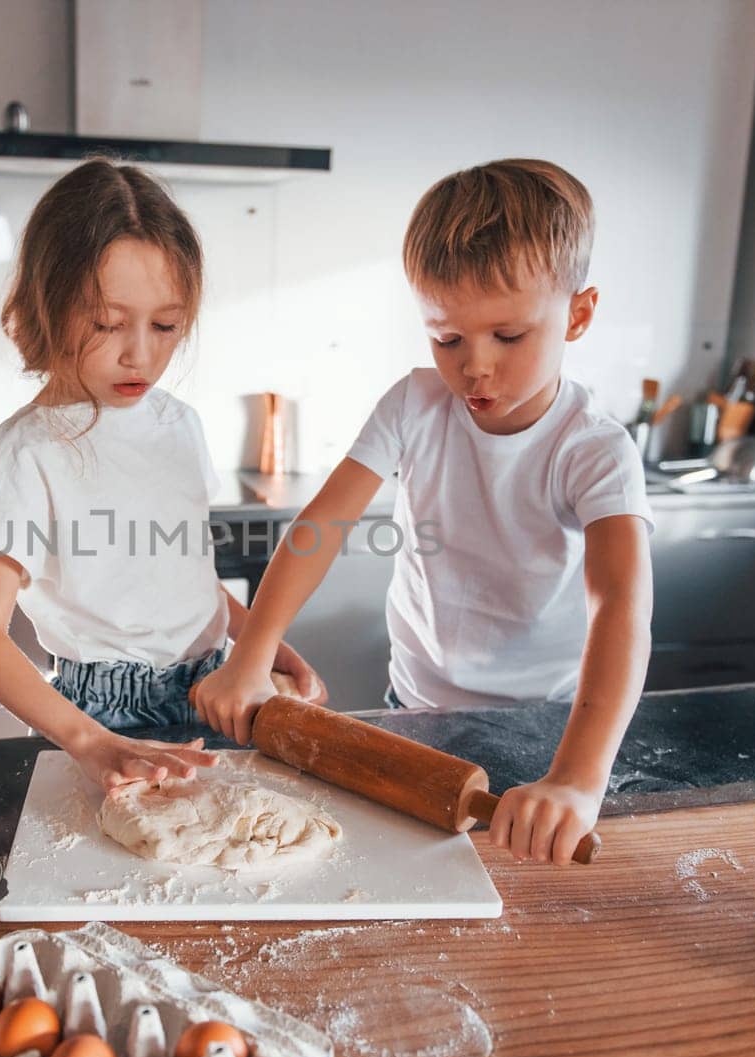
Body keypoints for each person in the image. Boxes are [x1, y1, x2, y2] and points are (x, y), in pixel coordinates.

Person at [193, 159, 654, 866]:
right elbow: (319, 528)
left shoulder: (592, 450)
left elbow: (621, 605)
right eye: (448, 338)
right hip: (414, 706)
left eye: (508, 336)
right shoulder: (414, 405)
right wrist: (252, 657)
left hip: (548, 726)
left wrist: (576, 779)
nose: (476, 367)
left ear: (580, 313)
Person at [0, 158, 326, 794]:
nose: (141, 354)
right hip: (99, 718)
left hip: (211, 691)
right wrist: (88, 740)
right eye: (107, 323)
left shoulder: (179, 424)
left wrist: (262, 643)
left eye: (165, 326)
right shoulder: (30, 449)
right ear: (49, 303)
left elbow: (186, 577)